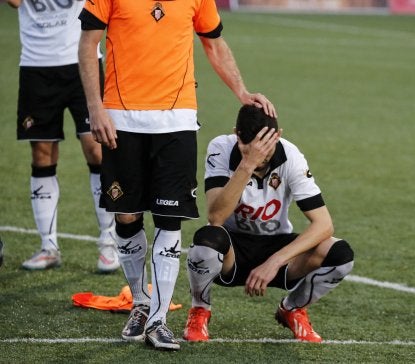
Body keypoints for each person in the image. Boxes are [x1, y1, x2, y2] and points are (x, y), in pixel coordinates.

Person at [77, 0, 276, 351]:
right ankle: (140, 302)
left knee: (171, 219)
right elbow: (87, 42)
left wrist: (242, 91)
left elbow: (213, 42)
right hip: (121, 118)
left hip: (177, 120)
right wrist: (95, 108)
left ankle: (158, 320)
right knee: (127, 215)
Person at [184, 105, 354, 343]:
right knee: (206, 240)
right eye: (252, 149)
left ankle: (293, 308)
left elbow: (324, 224)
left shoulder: (291, 156)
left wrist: (274, 262)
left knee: (340, 254)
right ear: (236, 134)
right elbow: (216, 217)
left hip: (277, 249)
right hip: (232, 248)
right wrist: (247, 165)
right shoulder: (221, 148)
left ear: (278, 135)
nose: (261, 158)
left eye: (266, 149)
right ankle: (200, 310)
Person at [7, 0, 119, 273]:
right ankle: (49, 247)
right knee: (41, 153)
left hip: (80, 61)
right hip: (36, 65)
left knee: (96, 149)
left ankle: (108, 241)